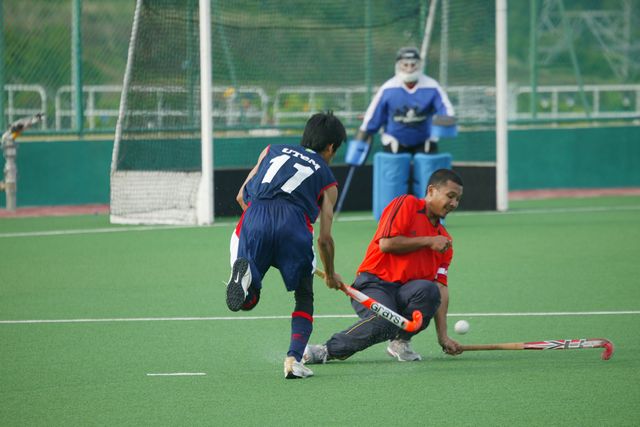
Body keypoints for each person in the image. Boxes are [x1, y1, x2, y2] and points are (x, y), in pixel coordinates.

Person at [226, 111, 346, 380]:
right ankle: (293, 359)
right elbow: (325, 239)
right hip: (294, 228)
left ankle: (245, 281)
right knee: (304, 296)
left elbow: (241, 196)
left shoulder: (271, 150)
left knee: (250, 297)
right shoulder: (328, 181)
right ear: (331, 147)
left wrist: (262, 228)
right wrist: (330, 273)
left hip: (254, 217)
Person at [303, 168, 464, 364]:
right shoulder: (407, 204)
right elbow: (386, 244)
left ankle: (400, 341)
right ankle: (325, 350)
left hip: (405, 293)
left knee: (430, 291)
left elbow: (440, 288)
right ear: (431, 191)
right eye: (450, 196)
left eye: (458, 199)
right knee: (385, 321)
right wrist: (429, 241)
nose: (454, 204)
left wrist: (443, 336)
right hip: (373, 284)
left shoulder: (444, 241)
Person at [345, 46, 456, 166]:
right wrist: (362, 137)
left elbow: (446, 110)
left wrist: (445, 120)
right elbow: (372, 117)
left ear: (419, 65)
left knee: (427, 174)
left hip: (425, 140)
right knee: (393, 175)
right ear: (398, 65)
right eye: (405, 64)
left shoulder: (432, 87)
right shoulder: (388, 88)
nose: (409, 69)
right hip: (394, 141)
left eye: (413, 64)